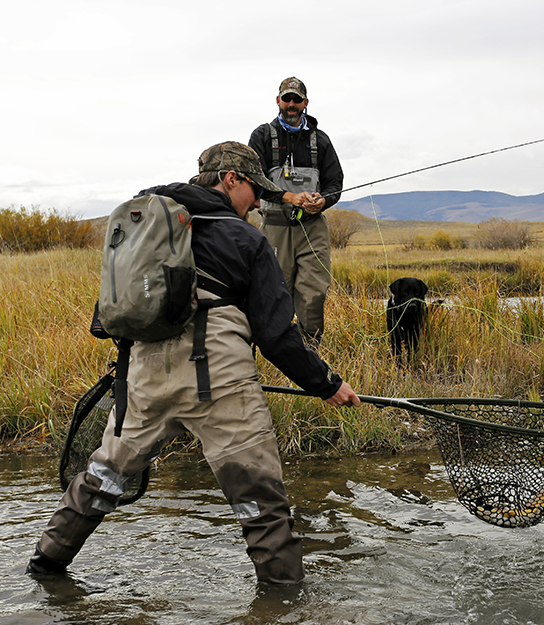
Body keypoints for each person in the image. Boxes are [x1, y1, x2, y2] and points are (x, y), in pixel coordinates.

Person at [27, 141, 360, 586]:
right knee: (260, 501)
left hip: (143, 378)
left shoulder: (142, 229)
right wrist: (326, 384)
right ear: (230, 179)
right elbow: (278, 337)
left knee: (103, 474)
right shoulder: (246, 238)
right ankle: (284, 618)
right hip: (218, 382)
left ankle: (44, 567)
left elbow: (107, 319)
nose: (259, 202)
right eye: (254, 191)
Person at [249, 76, 344, 346]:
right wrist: (290, 197)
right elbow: (254, 180)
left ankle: (310, 350)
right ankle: (276, 351)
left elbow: (335, 182)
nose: (291, 104)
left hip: (312, 227)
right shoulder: (262, 136)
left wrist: (323, 201)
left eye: (297, 99)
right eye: (287, 98)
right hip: (275, 227)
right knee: (275, 293)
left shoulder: (321, 140)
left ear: (306, 103)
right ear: (278, 100)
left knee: (313, 293)